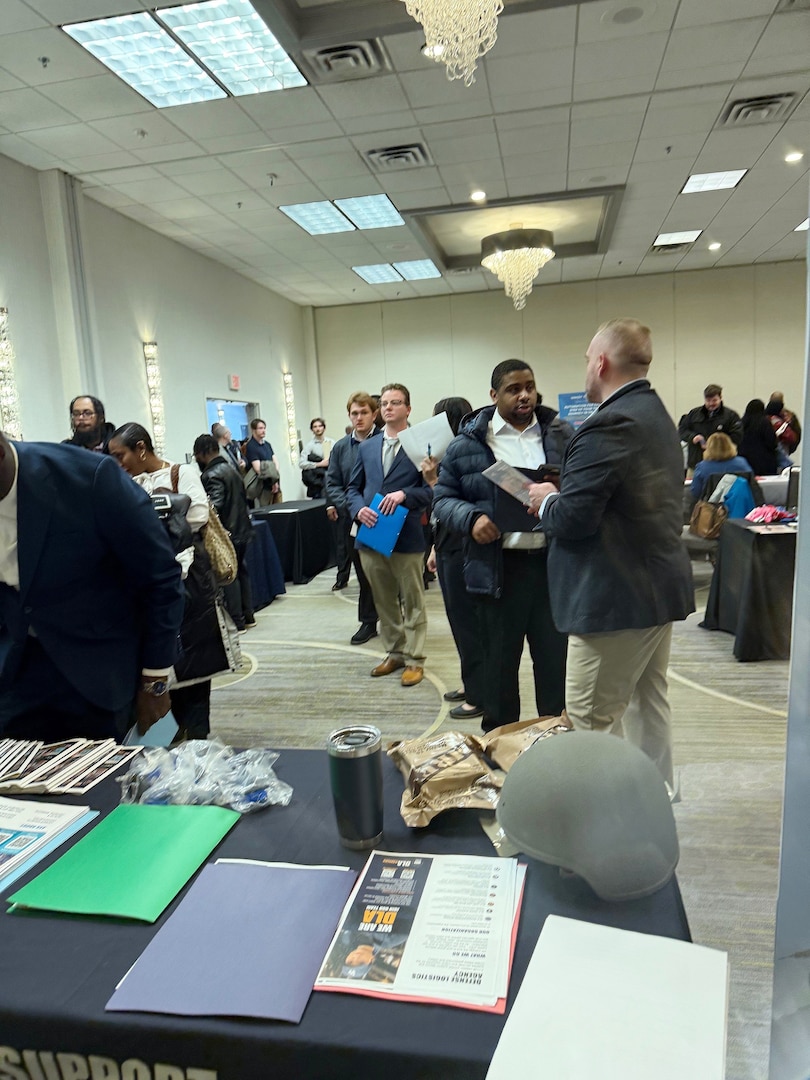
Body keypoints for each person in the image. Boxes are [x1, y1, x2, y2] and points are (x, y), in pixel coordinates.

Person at [529, 318, 694, 789]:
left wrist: (545, 500)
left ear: (601, 362)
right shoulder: (654, 412)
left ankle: (604, 834)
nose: (585, 366)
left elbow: (574, 520)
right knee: (647, 703)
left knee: (591, 719)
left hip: (613, 599)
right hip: (651, 589)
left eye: (587, 358)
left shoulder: (609, 423)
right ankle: (651, 805)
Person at [0, 432, 183, 742]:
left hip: (99, 672)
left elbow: (160, 577)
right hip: (16, 671)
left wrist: (155, 682)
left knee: (104, 787)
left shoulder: (91, 478)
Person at [433, 362, 573, 730]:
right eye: (514, 388)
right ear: (494, 395)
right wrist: (471, 519)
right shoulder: (467, 445)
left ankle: (553, 745)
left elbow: (585, 491)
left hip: (551, 568)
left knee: (554, 666)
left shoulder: (561, 435)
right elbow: (443, 499)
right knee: (498, 670)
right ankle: (499, 749)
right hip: (497, 570)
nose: (524, 394)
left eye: (529, 386)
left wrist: (560, 493)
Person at [109, 423, 218, 741]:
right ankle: (164, 739)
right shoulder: (123, 481)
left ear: (141, 448)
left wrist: (157, 521)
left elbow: (198, 514)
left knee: (195, 665)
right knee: (159, 663)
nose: (119, 462)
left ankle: (197, 741)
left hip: (190, 582)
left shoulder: (179, 473)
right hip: (147, 583)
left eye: (121, 454)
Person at [346, 383, 433, 686]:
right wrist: (357, 509)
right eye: (384, 403)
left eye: (395, 403)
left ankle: (415, 658)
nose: (388, 408)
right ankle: (394, 652)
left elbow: (431, 490)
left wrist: (404, 495)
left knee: (412, 599)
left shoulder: (421, 445)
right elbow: (352, 488)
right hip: (370, 532)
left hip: (407, 535)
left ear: (408, 408)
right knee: (383, 600)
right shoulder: (367, 446)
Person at [421, 397, 485, 721]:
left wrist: (433, 481)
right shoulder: (447, 454)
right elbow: (438, 515)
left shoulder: (467, 452)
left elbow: (457, 504)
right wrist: (434, 547)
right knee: (458, 623)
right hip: (446, 546)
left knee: (469, 624)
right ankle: (470, 683)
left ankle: (479, 694)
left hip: (465, 549)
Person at [324, 392, 379, 644]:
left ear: (374, 414)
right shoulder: (340, 448)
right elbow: (332, 483)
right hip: (354, 520)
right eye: (354, 413)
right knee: (364, 572)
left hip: (385, 517)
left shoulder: (386, 441)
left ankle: (394, 619)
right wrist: (352, 508)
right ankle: (368, 622)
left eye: (363, 412)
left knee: (390, 574)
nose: (358, 417)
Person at [194, 433, 256, 634]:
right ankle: (248, 616)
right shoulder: (232, 468)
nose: (196, 460)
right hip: (242, 530)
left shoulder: (211, 475)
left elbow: (215, 507)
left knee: (229, 577)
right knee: (242, 572)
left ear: (202, 453)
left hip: (228, 534)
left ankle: (237, 622)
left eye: (196, 455)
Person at [678, 384, 742, 472]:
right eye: (708, 400)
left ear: (720, 398)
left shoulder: (731, 416)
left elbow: (737, 436)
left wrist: (715, 443)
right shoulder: (693, 414)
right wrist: (692, 437)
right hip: (696, 463)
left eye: (714, 400)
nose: (711, 403)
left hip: (723, 464)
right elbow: (682, 430)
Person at [690, 432, 753, 499]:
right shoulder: (742, 463)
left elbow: (696, 492)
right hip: (740, 505)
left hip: (711, 507)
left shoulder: (702, 467)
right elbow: (752, 485)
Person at [737, 398, 779, 476]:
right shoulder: (765, 422)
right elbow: (771, 442)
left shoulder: (741, 423)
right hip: (764, 461)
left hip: (744, 460)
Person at [244, 418, 280, 506]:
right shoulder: (251, 446)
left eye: (264, 428)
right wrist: (272, 481)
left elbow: (275, 462)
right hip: (260, 485)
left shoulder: (267, 445)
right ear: (253, 430)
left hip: (273, 481)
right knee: (263, 509)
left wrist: (275, 480)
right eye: (260, 428)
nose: (263, 430)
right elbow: (258, 469)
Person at [300, 417, 333, 498]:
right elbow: (301, 463)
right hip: (317, 482)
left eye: (320, 426)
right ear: (312, 429)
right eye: (315, 427)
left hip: (331, 478)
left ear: (324, 428)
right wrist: (319, 464)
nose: (318, 428)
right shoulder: (309, 446)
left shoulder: (332, 442)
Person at [766, 394, 800, 471]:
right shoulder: (789, 416)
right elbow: (795, 435)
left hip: (769, 454)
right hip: (784, 450)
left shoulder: (764, 416)